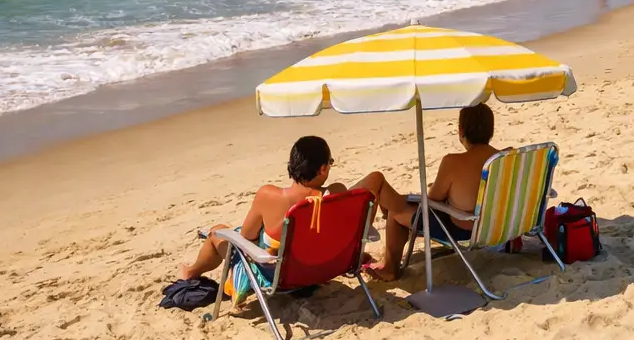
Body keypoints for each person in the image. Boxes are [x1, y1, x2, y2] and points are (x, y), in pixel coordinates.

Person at [352, 105, 502, 282]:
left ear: (461, 130)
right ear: (490, 130)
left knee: (396, 211)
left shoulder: (453, 162)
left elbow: (433, 200)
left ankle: (390, 269)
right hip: (494, 226)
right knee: (398, 204)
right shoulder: (502, 159)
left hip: (463, 230)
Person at [178, 136, 345, 283]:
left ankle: (191, 272)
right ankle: (193, 270)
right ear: (322, 169)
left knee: (216, 233)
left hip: (276, 276)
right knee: (224, 230)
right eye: (330, 162)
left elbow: (246, 236)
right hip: (316, 270)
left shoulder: (269, 195)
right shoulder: (335, 194)